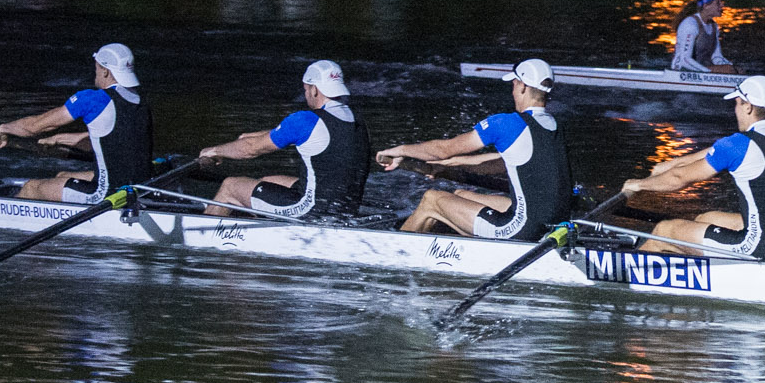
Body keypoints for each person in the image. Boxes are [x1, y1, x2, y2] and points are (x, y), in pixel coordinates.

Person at [375, 59, 574, 238]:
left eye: (513, 85)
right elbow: (501, 163)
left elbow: (443, 149)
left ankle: (391, 256)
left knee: (432, 200)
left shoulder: (506, 123)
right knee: (462, 196)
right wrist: (451, 165)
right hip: (554, 223)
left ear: (522, 86)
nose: (512, 91)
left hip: (521, 229)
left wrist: (400, 150)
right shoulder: (553, 125)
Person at [619, 75, 765, 260]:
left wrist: (638, 185)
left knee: (664, 230)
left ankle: (626, 272)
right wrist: (671, 164)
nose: (735, 110)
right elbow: (712, 152)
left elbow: (678, 179)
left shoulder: (739, 144)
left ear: (747, 106)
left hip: (759, 249)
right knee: (706, 219)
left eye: (737, 103)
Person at [197, 60, 372, 219]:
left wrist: (214, 151)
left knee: (230, 186)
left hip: (310, 210)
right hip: (344, 208)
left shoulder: (305, 119)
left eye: (305, 90)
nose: (306, 94)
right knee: (268, 181)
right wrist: (250, 136)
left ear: (314, 89)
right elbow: (289, 134)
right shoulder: (356, 120)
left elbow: (250, 149)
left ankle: (202, 238)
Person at [0, 44, 153, 202]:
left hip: (108, 195)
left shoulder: (92, 100)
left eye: (96, 69)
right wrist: (58, 139)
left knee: (31, 188)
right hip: (140, 186)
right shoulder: (139, 100)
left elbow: (35, 126)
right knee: (62, 175)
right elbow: (112, 137)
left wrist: (3, 128)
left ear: (105, 71)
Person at [672, 0, 735, 73]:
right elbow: (684, 60)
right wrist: (708, 72)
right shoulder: (690, 24)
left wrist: (733, 68)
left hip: (702, 69)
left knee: (735, 70)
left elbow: (716, 57)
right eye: (718, 3)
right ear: (706, 6)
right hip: (682, 70)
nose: (722, 6)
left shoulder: (713, 26)